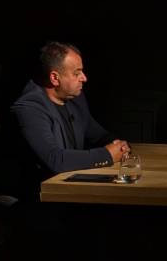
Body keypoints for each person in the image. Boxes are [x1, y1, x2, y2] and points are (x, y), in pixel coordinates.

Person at [11, 41, 130, 196]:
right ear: (55, 78)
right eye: (76, 73)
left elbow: (97, 134)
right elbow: (55, 159)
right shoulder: (29, 107)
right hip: (41, 197)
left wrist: (118, 145)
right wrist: (107, 155)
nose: (84, 78)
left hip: (73, 190)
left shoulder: (75, 98)